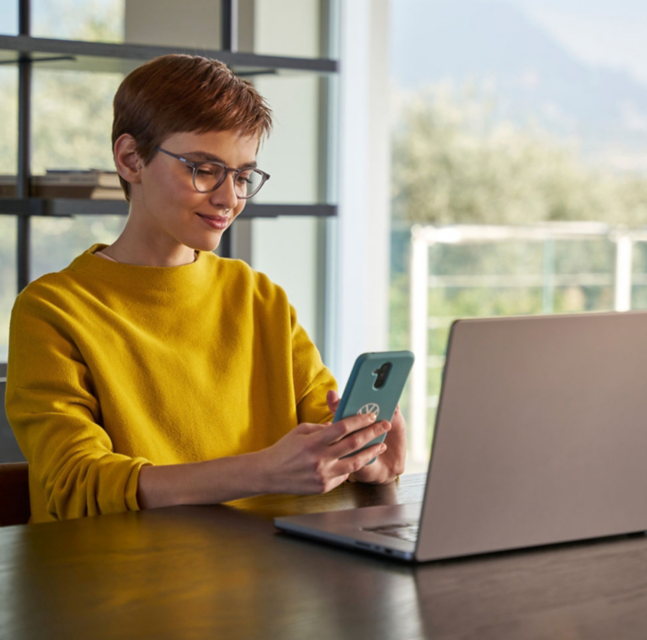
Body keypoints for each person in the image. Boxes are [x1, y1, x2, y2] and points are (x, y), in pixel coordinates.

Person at [5, 54, 407, 524]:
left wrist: (367, 462)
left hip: (270, 575)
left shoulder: (260, 298)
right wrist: (261, 473)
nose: (228, 198)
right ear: (131, 159)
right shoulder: (52, 310)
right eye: (203, 169)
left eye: (241, 176)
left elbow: (323, 437)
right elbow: (74, 483)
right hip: (127, 581)